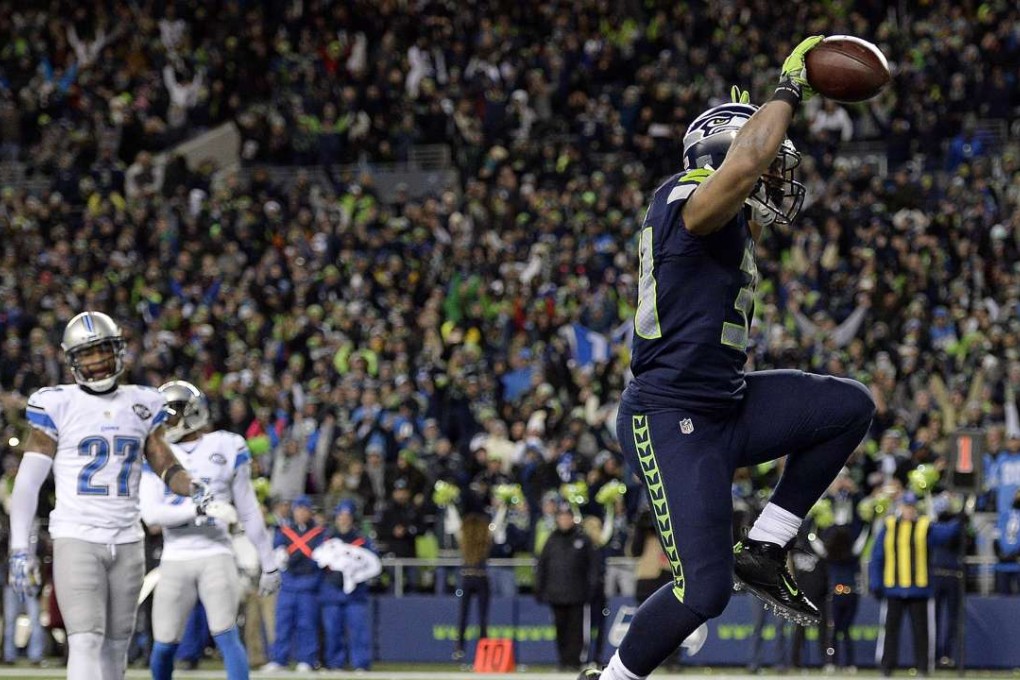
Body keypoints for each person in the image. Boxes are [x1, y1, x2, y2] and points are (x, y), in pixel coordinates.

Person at [583, 38, 877, 680]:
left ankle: (766, 546)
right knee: (703, 592)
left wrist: (752, 129)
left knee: (848, 406)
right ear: (724, 156)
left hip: (726, 403)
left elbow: (745, 172)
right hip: (669, 415)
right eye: (768, 161)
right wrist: (787, 90)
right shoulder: (682, 196)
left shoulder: (731, 216)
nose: (776, 174)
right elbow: (742, 168)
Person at [7, 311, 212, 680]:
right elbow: (27, 482)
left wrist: (191, 485)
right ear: (72, 360)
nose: (98, 360)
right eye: (88, 353)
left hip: (128, 539)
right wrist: (20, 547)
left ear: (118, 350)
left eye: (103, 350)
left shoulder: (144, 402)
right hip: (77, 535)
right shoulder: (56, 403)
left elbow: (164, 462)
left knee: (117, 647)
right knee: (85, 640)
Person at [139, 380, 282, 679]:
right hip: (175, 556)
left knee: (226, 634)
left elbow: (248, 509)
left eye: (171, 414)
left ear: (192, 412)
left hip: (216, 552)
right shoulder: (156, 452)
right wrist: (200, 509)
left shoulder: (227, 445)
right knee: (164, 644)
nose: (165, 422)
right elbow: (151, 514)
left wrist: (269, 563)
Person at [869, 492, 961, 677]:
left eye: (911, 507)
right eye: (906, 506)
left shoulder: (924, 526)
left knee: (921, 632)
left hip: (919, 589)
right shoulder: (889, 527)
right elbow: (877, 556)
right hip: (894, 588)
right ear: (900, 507)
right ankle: (887, 668)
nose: (909, 510)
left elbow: (945, 534)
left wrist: (960, 518)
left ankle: (923, 668)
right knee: (890, 631)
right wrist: (875, 582)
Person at [535, 502, 599, 673]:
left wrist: (592, 588)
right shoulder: (551, 539)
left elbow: (593, 566)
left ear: (572, 519)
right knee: (560, 629)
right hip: (556, 593)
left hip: (578, 593)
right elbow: (542, 565)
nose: (564, 520)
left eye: (567, 517)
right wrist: (540, 587)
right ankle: (563, 662)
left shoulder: (583, 539)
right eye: (561, 517)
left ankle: (575, 662)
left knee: (576, 630)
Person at [264, 495, 324, 672]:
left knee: (307, 624)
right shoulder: (285, 531)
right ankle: (279, 659)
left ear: (310, 512)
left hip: (308, 584)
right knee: (282, 624)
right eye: (298, 509)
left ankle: (307, 659)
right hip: (288, 584)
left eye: (304, 509)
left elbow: (320, 556)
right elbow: (277, 551)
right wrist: (279, 555)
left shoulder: (319, 533)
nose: (301, 513)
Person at [319, 500, 376, 671]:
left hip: (355, 593)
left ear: (352, 518)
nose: (344, 519)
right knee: (332, 630)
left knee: (358, 630)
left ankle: (361, 664)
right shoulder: (327, 538)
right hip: (332, 590)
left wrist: (357, 574)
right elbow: (318, 561)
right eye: (341, 516)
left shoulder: (362, 540)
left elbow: (372, 564)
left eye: (347, 516)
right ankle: (335, 663)